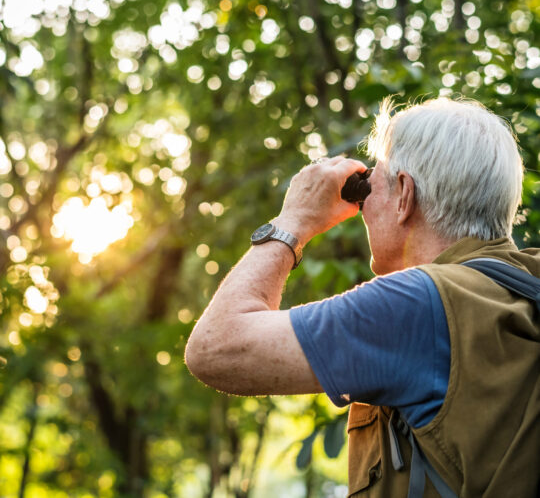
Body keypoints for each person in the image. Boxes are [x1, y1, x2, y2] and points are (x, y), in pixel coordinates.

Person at [185, 97, 540, 497]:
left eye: (373, 184)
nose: (364, 205)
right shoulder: (520, 287)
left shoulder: (418, 304)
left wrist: (294, 221)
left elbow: (216, 348)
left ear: (405, 194)